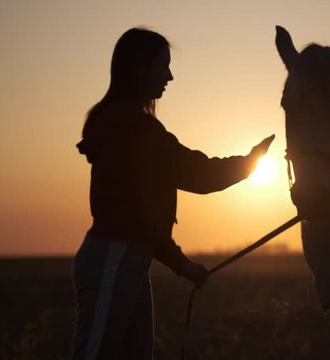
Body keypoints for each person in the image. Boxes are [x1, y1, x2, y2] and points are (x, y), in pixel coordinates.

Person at [70, 27, 274, 360]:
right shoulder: (136, 129)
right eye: (163, 65)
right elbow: (198, 174)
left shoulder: (124, 125)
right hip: (114, 259)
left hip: (129, 261)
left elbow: (143, 223)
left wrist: (183, 266)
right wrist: (251, 163)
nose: (170, 76)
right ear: (141, 68)